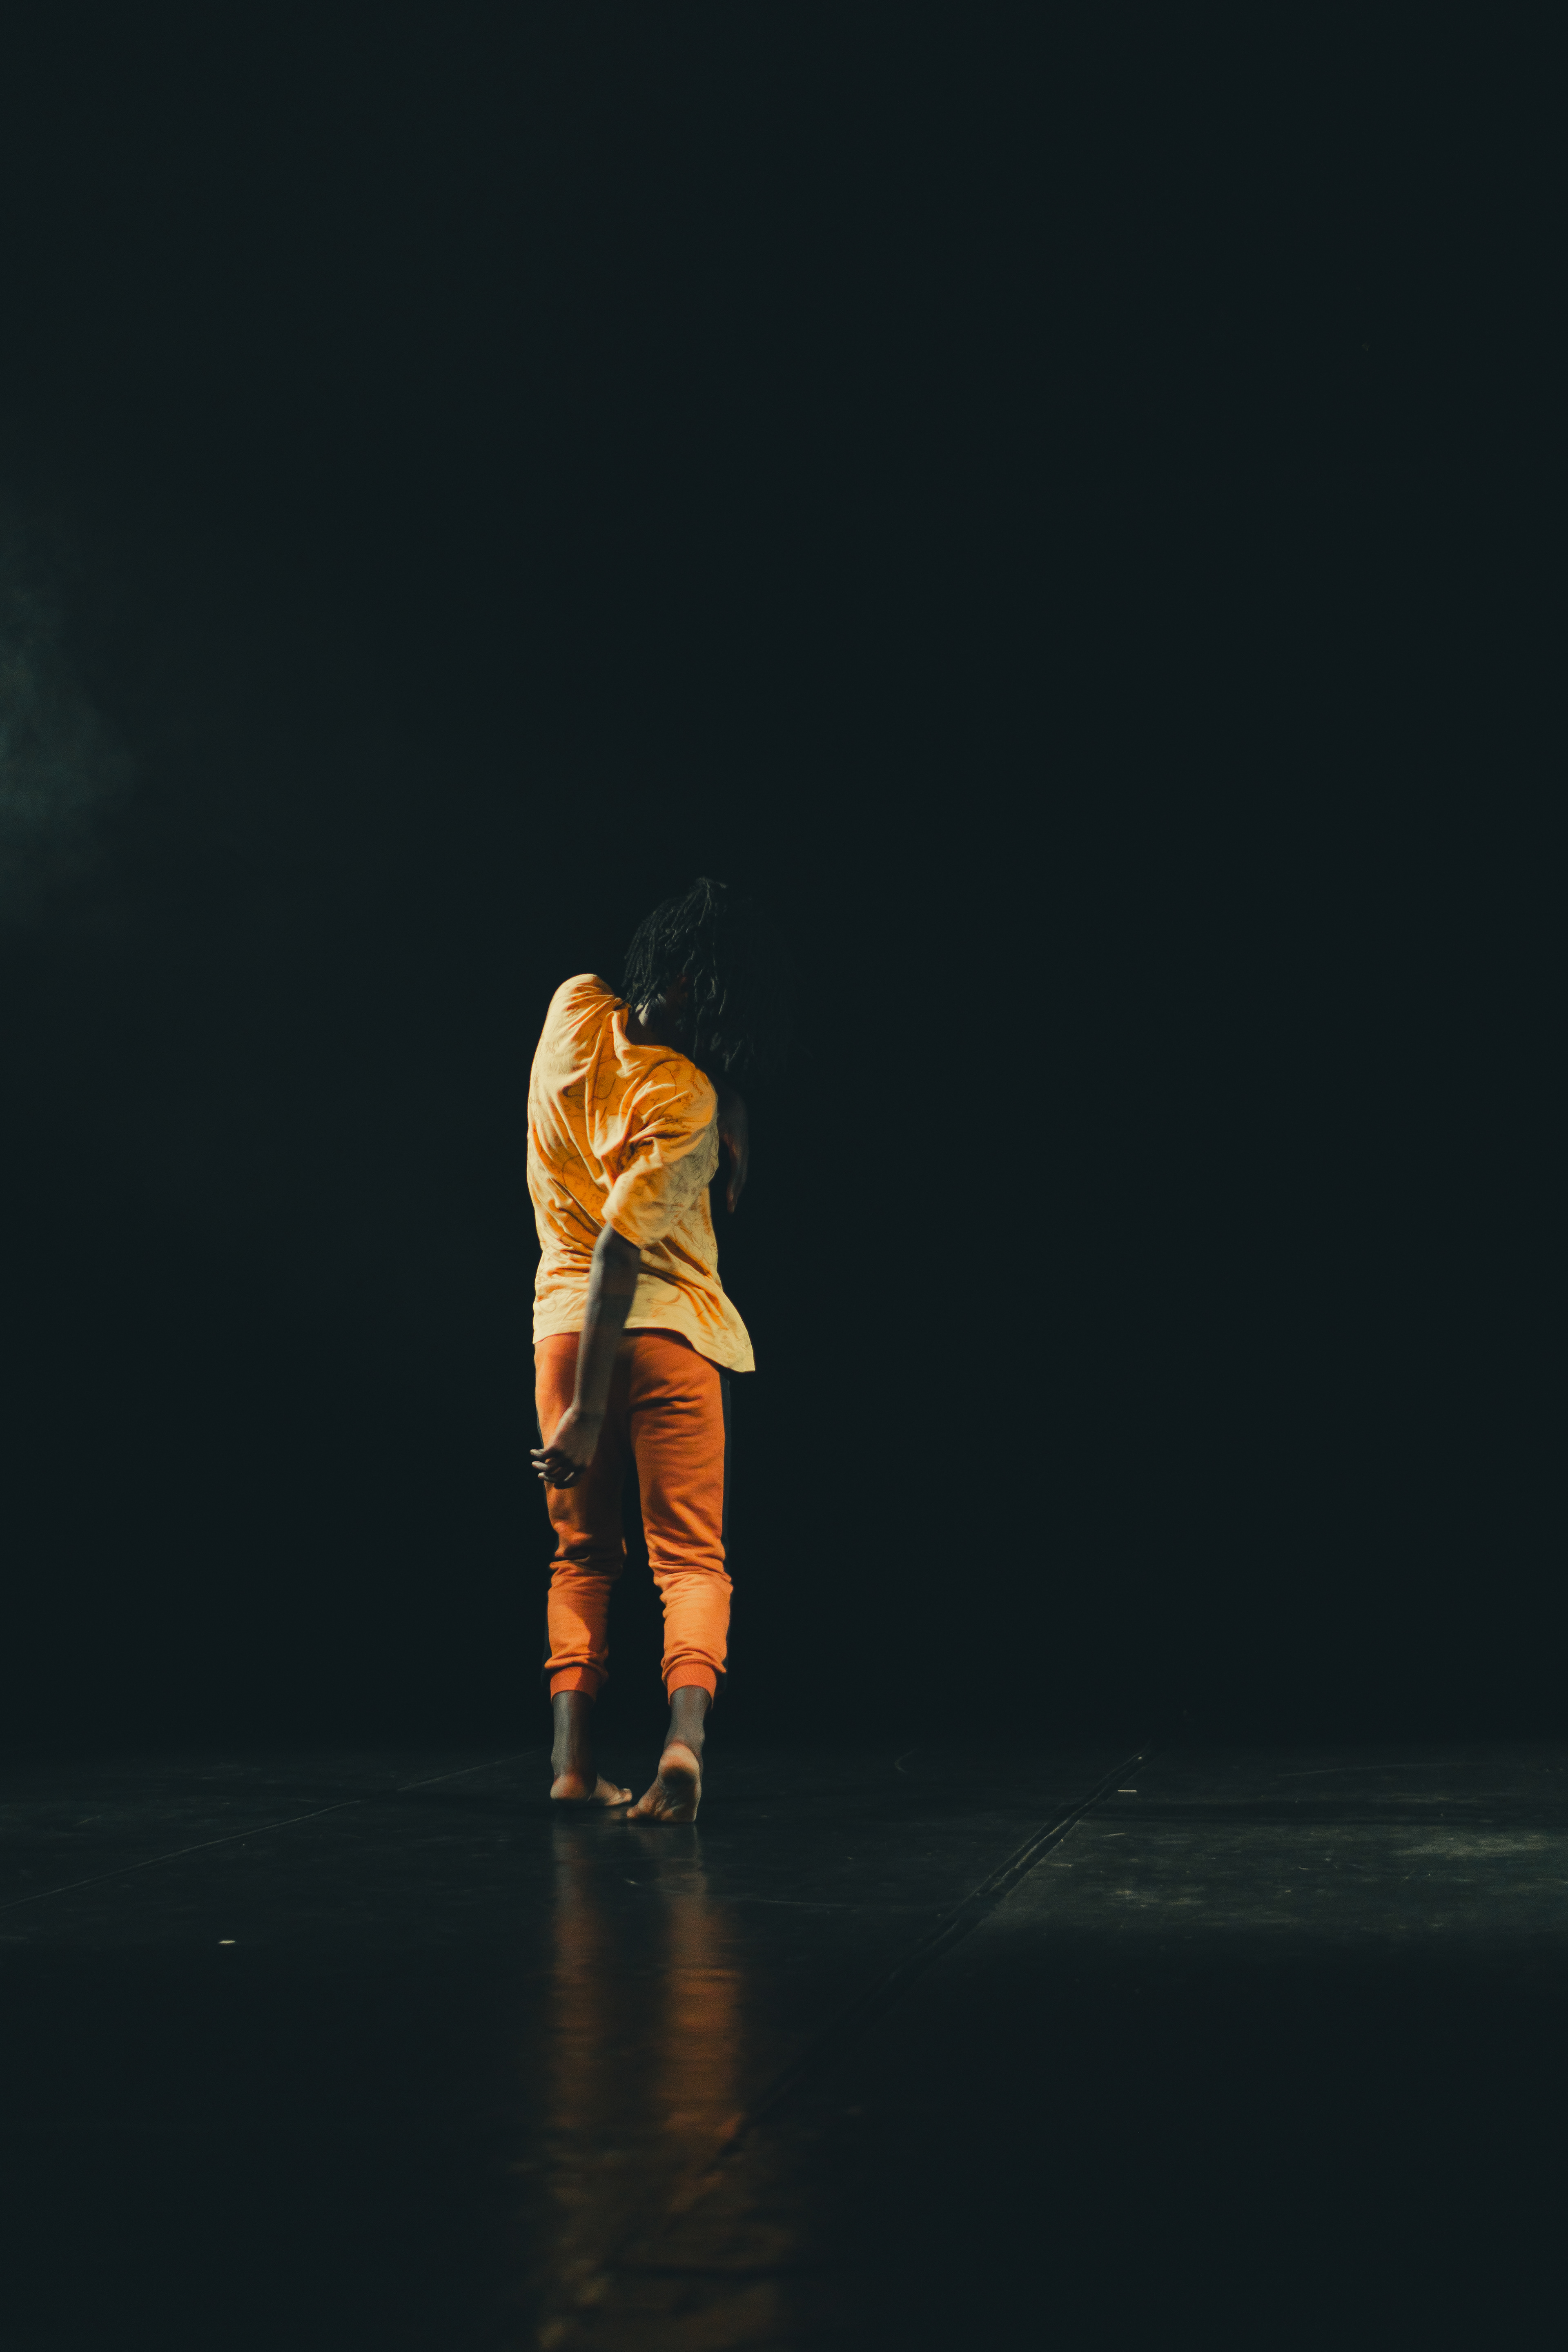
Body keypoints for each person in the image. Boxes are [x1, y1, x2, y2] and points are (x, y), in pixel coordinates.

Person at [527, 877, 788, 1822]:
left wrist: (576, 1402)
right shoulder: (687, 1099)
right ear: (689, 987)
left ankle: (570, 1767)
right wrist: (591, 1412)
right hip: (668, 1338)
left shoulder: (571, 1009)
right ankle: (683, 1747)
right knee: (689, 1563)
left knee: (581, 1559)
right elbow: (619, 1250)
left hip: (564, 1336)